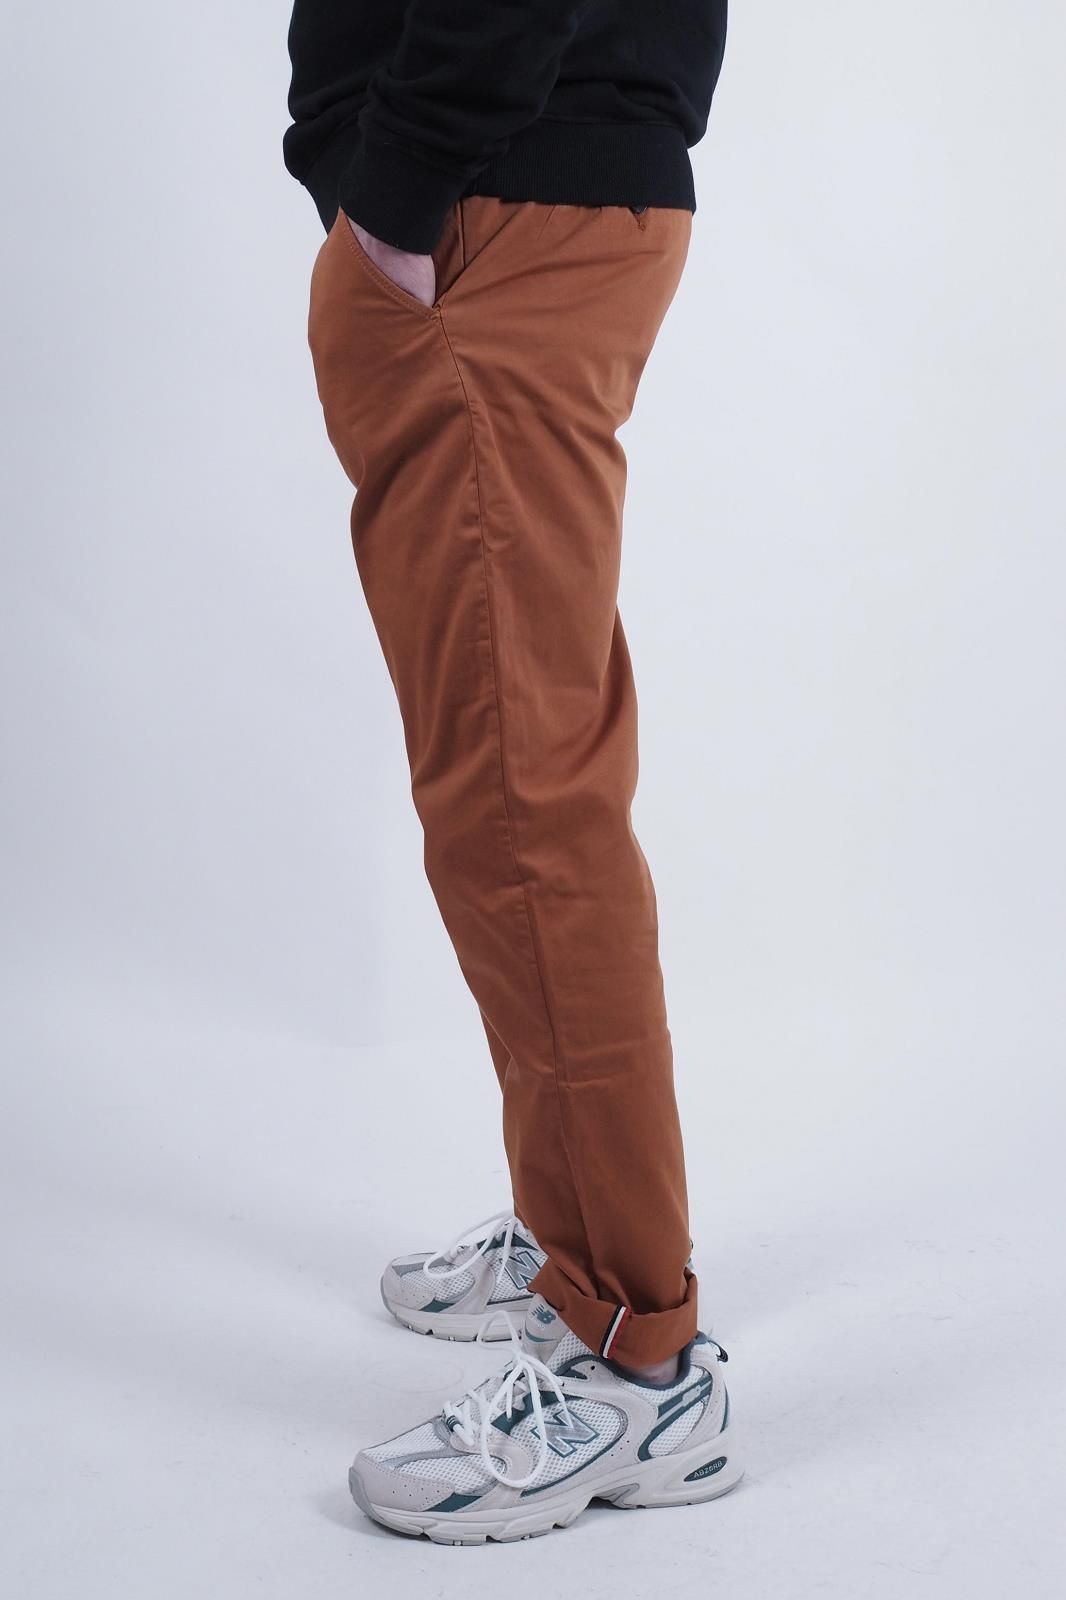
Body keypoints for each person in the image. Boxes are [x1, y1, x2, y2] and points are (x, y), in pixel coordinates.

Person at [284, 0, 739, 1543]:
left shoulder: (459, 190)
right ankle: (579, 1242)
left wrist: (398, 187)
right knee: (533, 776)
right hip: (516, 186)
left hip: (488, 206)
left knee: (520, 810)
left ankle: (630, 1352)